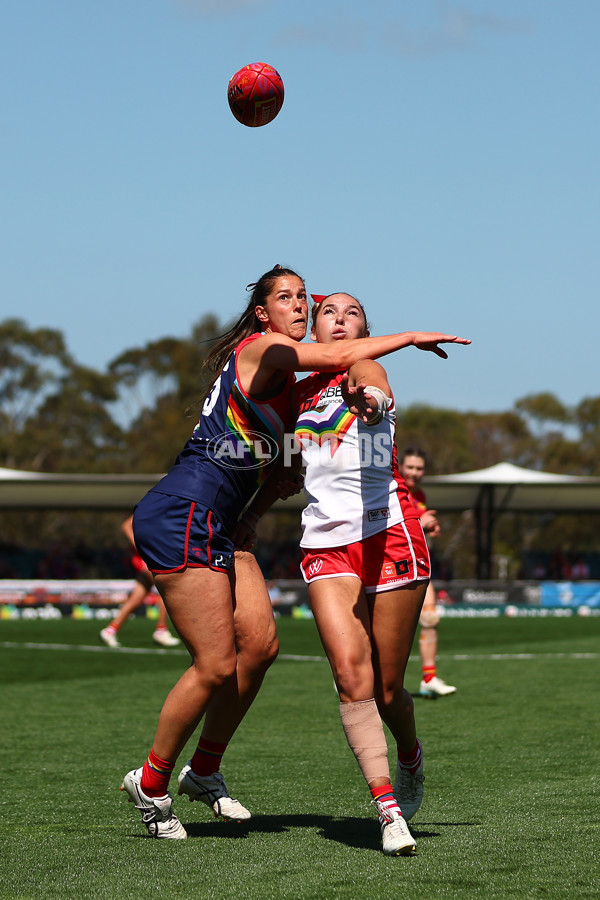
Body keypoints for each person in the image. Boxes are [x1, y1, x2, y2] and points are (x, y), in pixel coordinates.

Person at [121, 265, 470, 840]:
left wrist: (371, 401)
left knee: (259, 647)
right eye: (290, 298)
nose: (305, 306)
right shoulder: (267, 350)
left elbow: (310, 433)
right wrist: (408, 337)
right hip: (189, 509)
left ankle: (203, 770)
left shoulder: (294, 391)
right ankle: (152, 784)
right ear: (263, 313)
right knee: (216, 664)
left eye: (308, 297)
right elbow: (339, 363)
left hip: (238, 524)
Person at [236, 292, 470, 855]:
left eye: (352, 313)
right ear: (312, 329)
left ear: (365, 327)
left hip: (389, 535)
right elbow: (289, 470)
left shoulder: (367, 367)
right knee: (350, 677)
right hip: (325, 547)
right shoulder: (290, 392)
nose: (339, 320)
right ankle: (388, 811)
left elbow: (370, 382)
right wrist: (249, 518)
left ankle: (410, 755)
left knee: (390, 690)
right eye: (328, 313)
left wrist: (370, 401)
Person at [398, 448, 456, 698]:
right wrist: (421, 523)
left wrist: (429, 527)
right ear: (399, 466)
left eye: (419, 468)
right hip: (390, 564)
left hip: (417, 563)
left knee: (430, 618)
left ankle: (429, 678)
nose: (414, 472)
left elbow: (417, 525)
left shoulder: (419, 495)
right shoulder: (391, 487)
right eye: (410, 467)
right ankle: (354, 674)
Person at [100, 515, 180, 648]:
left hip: (152, 556)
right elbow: (126, 525)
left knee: (136, 599)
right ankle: (161, 630)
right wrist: (140, 546)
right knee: (167, 589)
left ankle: (110, 630)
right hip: (146, 558)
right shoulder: (153, 504)